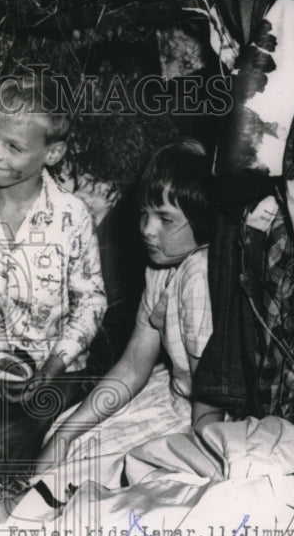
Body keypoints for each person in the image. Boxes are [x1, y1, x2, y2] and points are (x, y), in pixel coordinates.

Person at [0, 74, 106, 472]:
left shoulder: (71, 218)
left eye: (14, 147)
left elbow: (92, 302)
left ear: (53, 152)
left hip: (51, 375)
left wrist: (52, 369)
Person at [34, 138, 224, 474]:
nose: (147, 231)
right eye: (144, 214)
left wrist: (205, 467)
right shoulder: (162, 268)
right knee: (67, 441)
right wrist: (65, 435)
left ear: (204, 219)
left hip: (202, 418)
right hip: (171, 392)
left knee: (91, 474)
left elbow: (210, 399)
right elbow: (135, 363)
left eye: (165, 220)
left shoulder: (199, 276)